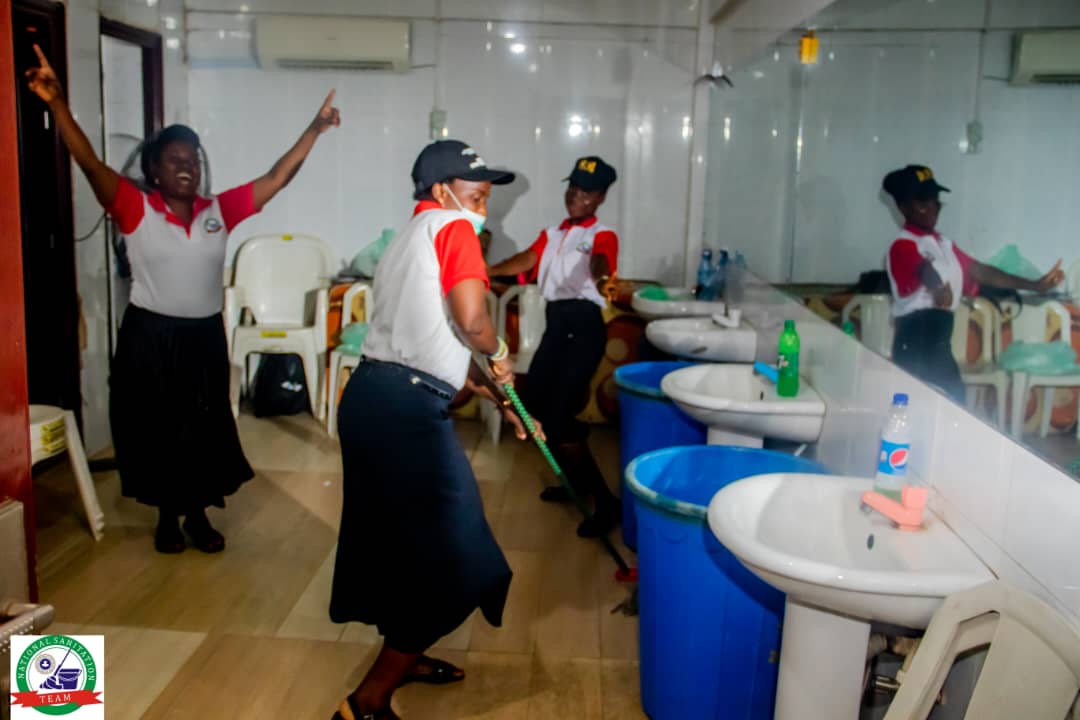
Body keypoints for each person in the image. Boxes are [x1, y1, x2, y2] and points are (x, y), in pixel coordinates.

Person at [25, 45, 341, 554]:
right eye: (175, 160)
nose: (187, 166)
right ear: (154, 169)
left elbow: (277, 177)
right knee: (158, 429)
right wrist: (58, 103)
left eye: (193, 159)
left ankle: (197, 514)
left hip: (203, 337)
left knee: (202, 428)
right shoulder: (134, 206)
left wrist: (315, 128)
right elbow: (87, 161)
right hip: (151, 337)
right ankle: (168, 518)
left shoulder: (220, 210)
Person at [329, 140, 540, 720]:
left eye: (487, 198)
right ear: (442, 191)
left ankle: (409, 654)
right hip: (405, 414)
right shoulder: (454, 229)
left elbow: (431, 336)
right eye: (475, 195)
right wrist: (500, 354)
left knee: (404, 546)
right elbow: (472, 321)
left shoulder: (407, 238)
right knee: (461, 555)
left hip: (373, 398)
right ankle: (367, 701)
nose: (482, 210)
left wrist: (499, 394)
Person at [487, 156, 620, 538]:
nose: (576, 195)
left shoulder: (602, 235)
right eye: (573, 187)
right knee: (535, 404)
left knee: (558, 418)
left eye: (586, 191)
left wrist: (605, 278)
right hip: (557, 326)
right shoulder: (552, 234)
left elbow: (600, 263)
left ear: (600, 197)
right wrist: (486, 270)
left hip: (584, 328)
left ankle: (605, 502)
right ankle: (575, 479)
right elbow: (526, 260)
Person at [882, 164, 1064, 401]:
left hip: (938, 341)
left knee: (951, 401)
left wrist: (1035, 285)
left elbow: (980, 271)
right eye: (922, 202)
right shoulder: (902, 244)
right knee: (928, 405)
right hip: (915, 342)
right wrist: (937, 286)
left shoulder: (944, 245)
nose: (932, 207)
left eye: (935, 200)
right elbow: (922, 268)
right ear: (903, 207)